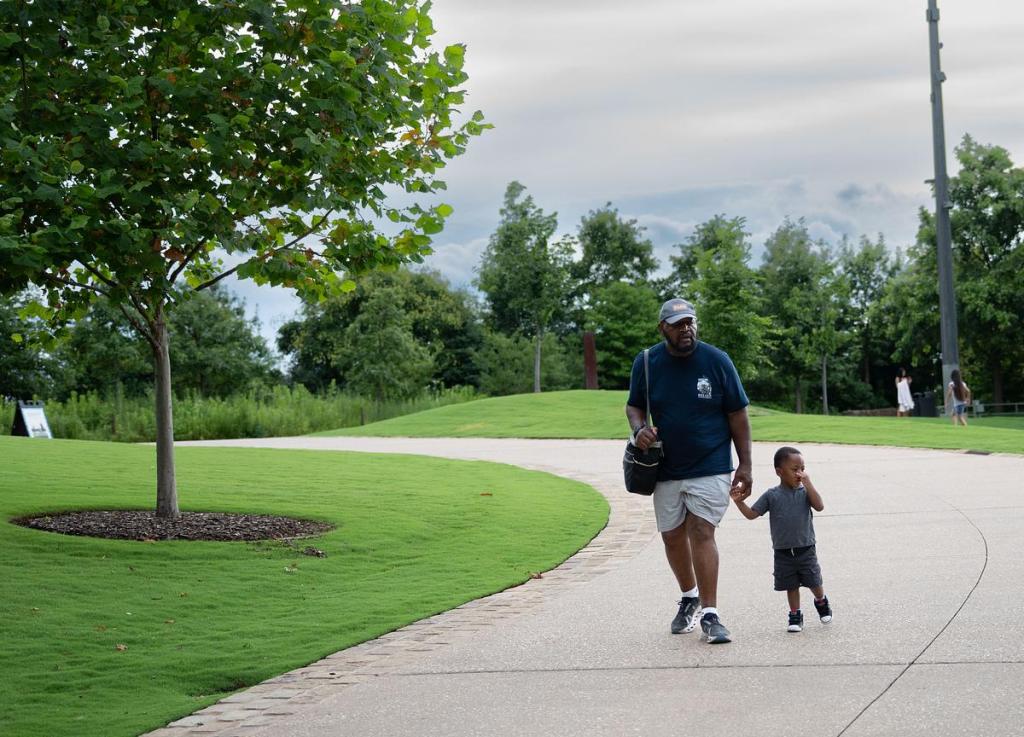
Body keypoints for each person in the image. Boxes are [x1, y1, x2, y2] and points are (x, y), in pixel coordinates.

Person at [626, 298, 752, 645]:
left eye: (690, 322)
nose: (687, 329)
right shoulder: (648, 363)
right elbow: (635, 406)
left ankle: (711, 613)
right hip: (664, 466)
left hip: (710, 463)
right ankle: (689, 596)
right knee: (671, 535)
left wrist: (746, 464)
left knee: (701, 530)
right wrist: (639, 431)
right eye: (678, 324)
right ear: (662, 328)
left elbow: (738, 415)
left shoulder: (717, 360)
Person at [730, 446, 833, 632]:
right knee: (790, 584)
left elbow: (819, 506)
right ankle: (795, 615)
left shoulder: (805, 493)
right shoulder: (772, 495)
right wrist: (739, 502)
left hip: (806, 548)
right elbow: (752, 514)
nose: (799, 473)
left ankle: (821, 601)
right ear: (779, 472)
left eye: (802, 468)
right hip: (783, 551)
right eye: (794, 470)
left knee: (814, 581)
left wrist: (809, 484)